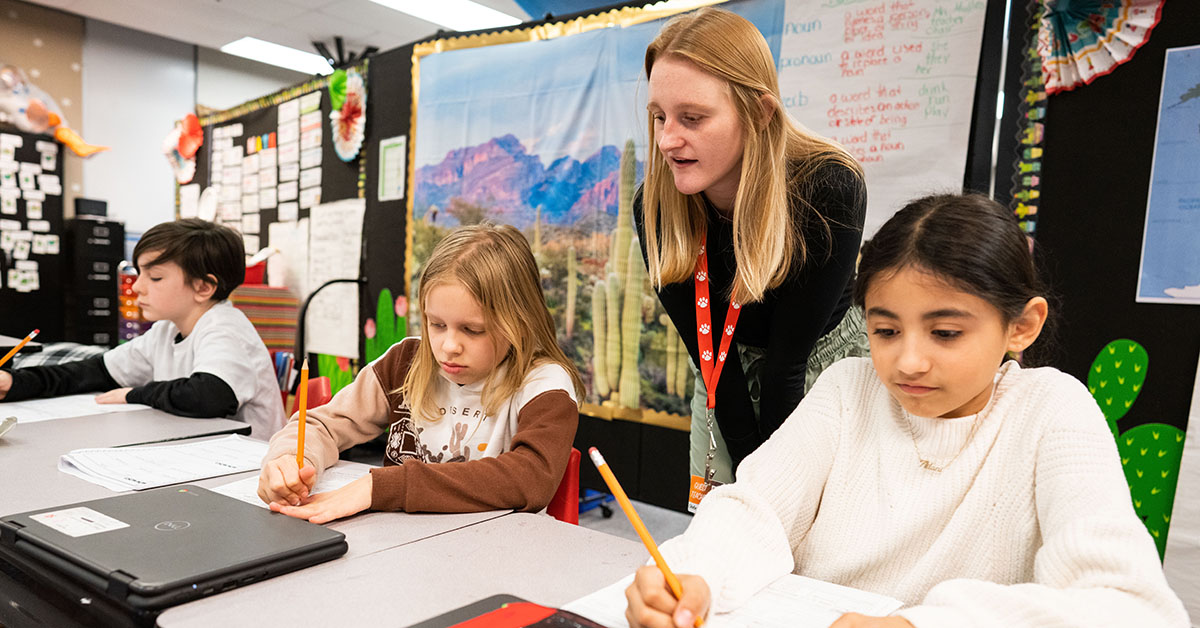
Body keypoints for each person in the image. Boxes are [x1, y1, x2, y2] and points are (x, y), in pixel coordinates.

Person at [623, 194, 1190, 628]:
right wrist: (695, 573)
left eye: (945, 332)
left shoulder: (1052, 409)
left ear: (1022, 325)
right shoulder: (850, 387)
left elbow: (1130, 607)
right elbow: (757, 509)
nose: (907, 361)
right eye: (885, 329)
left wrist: (921, 622)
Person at [634, 7, 869, 493]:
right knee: (723, 523)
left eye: (692, 118)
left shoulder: (829, 188)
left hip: (822, 368)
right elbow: (711, 357)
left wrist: (771, 487)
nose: (667, 140)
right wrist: (747, 484)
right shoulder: (657, 206)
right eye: (659, 117)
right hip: (723, 370)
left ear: (759, 112)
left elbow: (789, 365)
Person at [257, 223, 584, 524]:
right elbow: (322, 425)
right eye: (437, 325)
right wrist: (288, 462)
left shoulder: (544, 383)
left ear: (519, 324)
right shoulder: (406, 361)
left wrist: (381, 487)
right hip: (400, 547)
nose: (448, 346)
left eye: (472, 330)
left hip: (494, 552)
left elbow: (531, 477)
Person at [0, 218, 284, 438]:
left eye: (155, 277)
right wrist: (16, 383)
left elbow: (209, 396)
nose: (136, 287)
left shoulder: (225, 327)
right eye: (139, 273)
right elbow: (95, 372)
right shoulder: (165, 330)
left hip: (248, 467)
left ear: (203, 287)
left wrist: (133, 393)